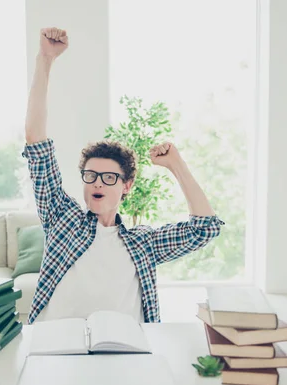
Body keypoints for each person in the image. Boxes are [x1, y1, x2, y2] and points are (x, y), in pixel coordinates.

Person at [22, 27, 225, 325]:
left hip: (121, 348)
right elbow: (35, 140)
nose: (97, 183)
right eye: (91, 175)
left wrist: (177, 165)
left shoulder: (141, 243)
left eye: (108, 177)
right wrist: (45, 59)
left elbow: (204, 229)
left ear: (126, 186)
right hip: (55, 343)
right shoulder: (62, 219)